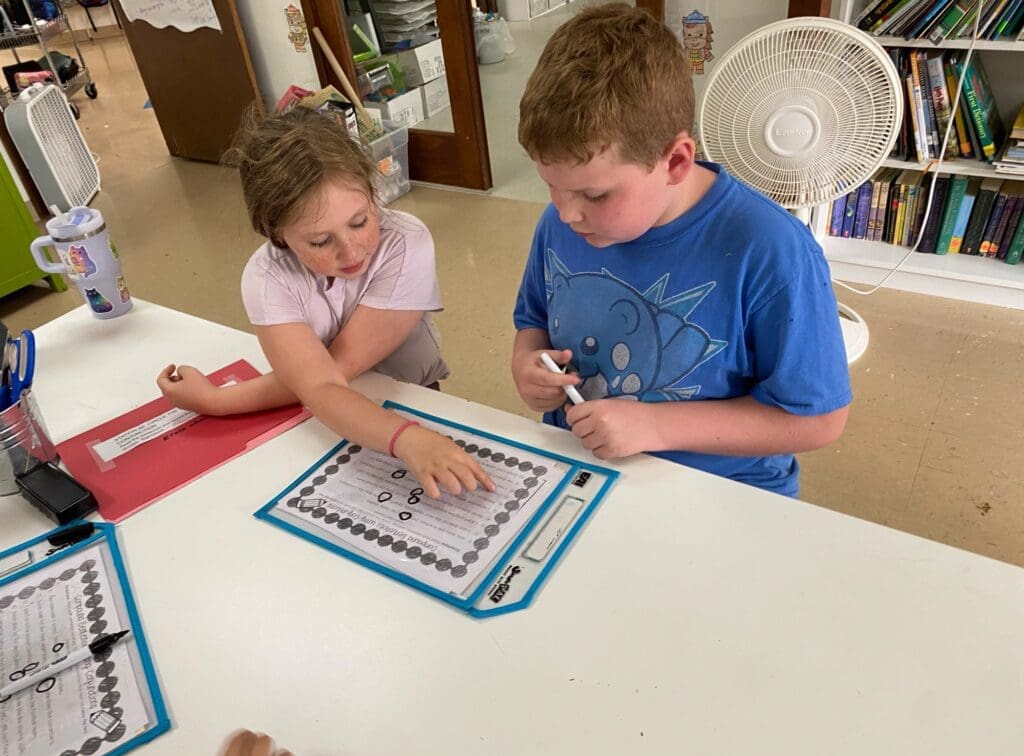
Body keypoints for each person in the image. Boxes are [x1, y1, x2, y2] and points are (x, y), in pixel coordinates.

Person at [511, 3, 851, 497]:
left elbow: (817, 421)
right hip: (583, 468)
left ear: (675, 160)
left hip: (722, 489)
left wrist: (655, 427)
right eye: (550, 185)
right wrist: (526, 367)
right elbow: (533, 324)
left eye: (595, 194)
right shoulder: (560, 226)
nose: (567, 213)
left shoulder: (772, 252)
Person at [158, 107, 493, 499]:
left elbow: (331, 373)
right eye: (319, 241)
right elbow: (321, 385)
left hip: (412, 398)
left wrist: (220, 400)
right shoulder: (267, 278)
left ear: (372, 194)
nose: (351, 250)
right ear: (276, 233)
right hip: (334, 423)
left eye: (360, 221)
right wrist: (407, 440)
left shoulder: (405, 241)